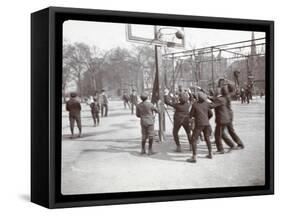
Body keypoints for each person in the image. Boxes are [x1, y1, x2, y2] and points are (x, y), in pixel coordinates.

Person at [187, 92, 213, 163]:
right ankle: (210, 153)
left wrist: (192, 119)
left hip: (199, 123)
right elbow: (211, 114)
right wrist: (206, 119)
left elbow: (190, 115)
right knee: (207, 138)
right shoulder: (206, 104)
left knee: (194, 139)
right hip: (207, 123)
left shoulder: (195, 105)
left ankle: (194, 156)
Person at [212, 86, 235, 153]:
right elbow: (215, 99)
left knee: (217, 135)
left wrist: (204, 102)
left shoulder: (220, 99)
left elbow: (212, 105)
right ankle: (232, 145)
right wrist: (208, 98)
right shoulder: (225, 98)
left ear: (222, 92)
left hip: (221, 119)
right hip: (226, 119)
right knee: (222, 134)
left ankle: (220, 149)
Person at [224, 84, 245, 149]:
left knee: (229, 131)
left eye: (226, 88)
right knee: (227, 131)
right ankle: (237, 144)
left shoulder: (227, 96)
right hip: (228, 114)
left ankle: (238, 144)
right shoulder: (228, 95)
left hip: (227, 115)